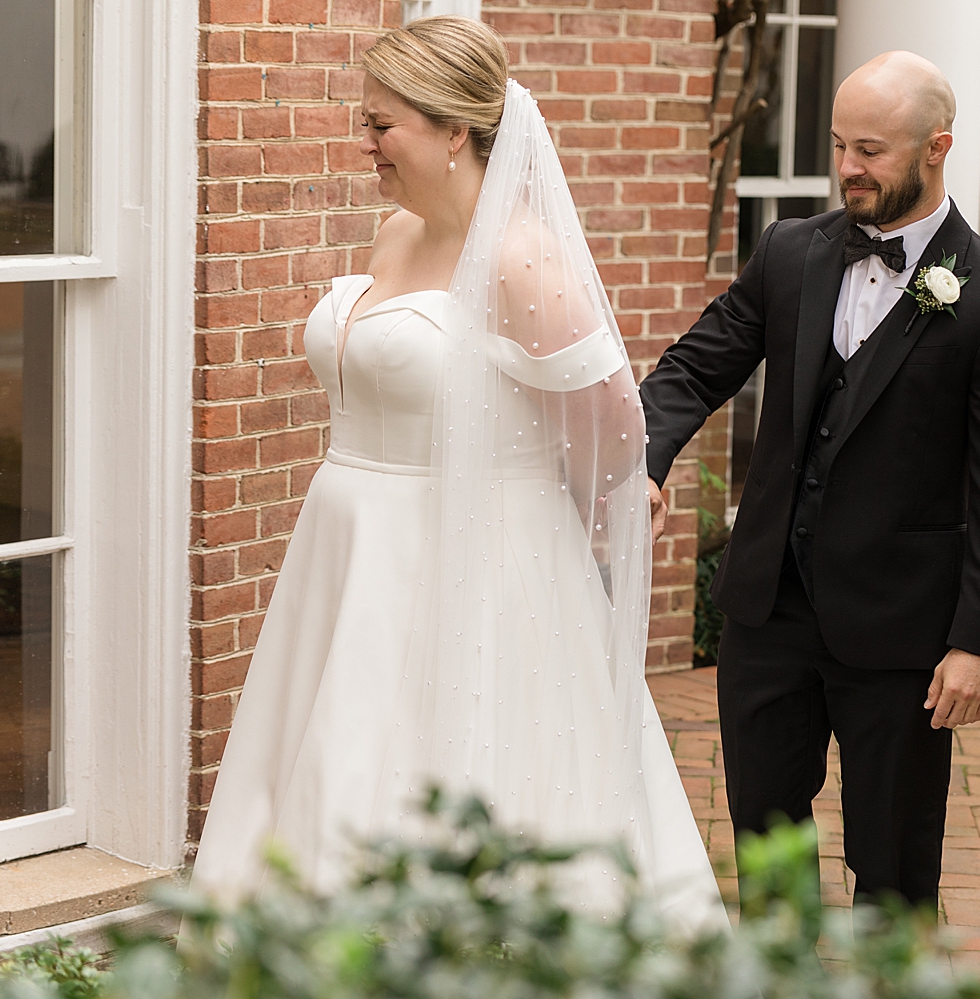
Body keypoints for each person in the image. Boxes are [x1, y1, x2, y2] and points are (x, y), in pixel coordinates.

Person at [191, 16, 726, 932]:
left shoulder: (525, 263)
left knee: (452, 761)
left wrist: (595, 508)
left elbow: (609, 431)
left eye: (382, 125)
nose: (364, 144)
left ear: (454, 132)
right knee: (335, 753)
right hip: (348, 547)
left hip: (473, 556)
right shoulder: (396, 234)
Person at [639, 52, 980, 909]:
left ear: (936, 148)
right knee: (767, 853)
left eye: (872, 149)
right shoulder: (792, 253)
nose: (849, 169)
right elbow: (694, 367)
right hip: (768, 614)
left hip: (902, 633)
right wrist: (641, 458)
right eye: (839, 146)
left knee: (894, 871)